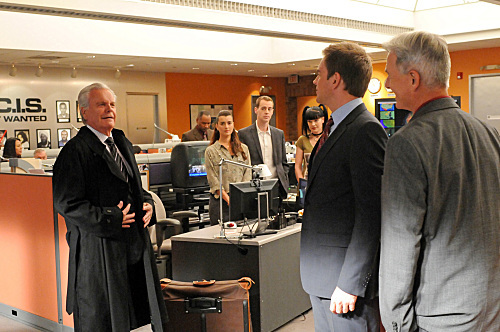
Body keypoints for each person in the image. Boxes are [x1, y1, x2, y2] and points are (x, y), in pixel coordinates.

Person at [379, 31, 500, 332]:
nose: (387, 84)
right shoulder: (491, 134)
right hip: (493, 307)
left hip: (443, 314)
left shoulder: (407, 143)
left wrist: (396, 322)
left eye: (391, 75)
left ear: (413, 79)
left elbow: (400, 243)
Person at [52, 83, 168, 332]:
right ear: (84, 111)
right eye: (101, 104)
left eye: (112, 104)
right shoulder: (74, 151)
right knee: (102, 320)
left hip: (132, 247)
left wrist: (146, 203)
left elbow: (134, 186)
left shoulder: (122, 143)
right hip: (99, 252)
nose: (109, 109)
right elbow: (66, 203)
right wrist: (110, 217)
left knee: (134, 318)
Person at [300, 42, 387, 332]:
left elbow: (371, 213)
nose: (314, 80)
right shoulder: (336, 126)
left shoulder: (365, 129)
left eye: (319, 73)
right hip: (324, 276)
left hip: (344, 285)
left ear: (336, 79)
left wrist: (351, 284)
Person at [205, 110, 252, 225]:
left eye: (229, 123)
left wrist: (240, 198)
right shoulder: (211, 151)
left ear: (233, 124)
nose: (226, 126)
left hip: (240, 200)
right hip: (220, 202)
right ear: (216, 126)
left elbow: (247, 173)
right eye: (222, 123)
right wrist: (229, 199)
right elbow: (213, 180)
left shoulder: (243, 149)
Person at [238, 96, 289, 198]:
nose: (267, 112)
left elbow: (283, 162)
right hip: (254, 186)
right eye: (263, 108)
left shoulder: (279, 134)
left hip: (276, 185)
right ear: (256, 110)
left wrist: (284, 176)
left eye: (269, 109)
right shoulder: (244, 134)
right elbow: (241, 163)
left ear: (272, 111)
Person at [294, 105, 328, 181]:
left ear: (322, 119)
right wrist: (301, 184)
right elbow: (297, 166)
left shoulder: (329, 138)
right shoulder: (302, 140)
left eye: (316, 120)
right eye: (310, 121)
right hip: (307, 183)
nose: (313, 124)